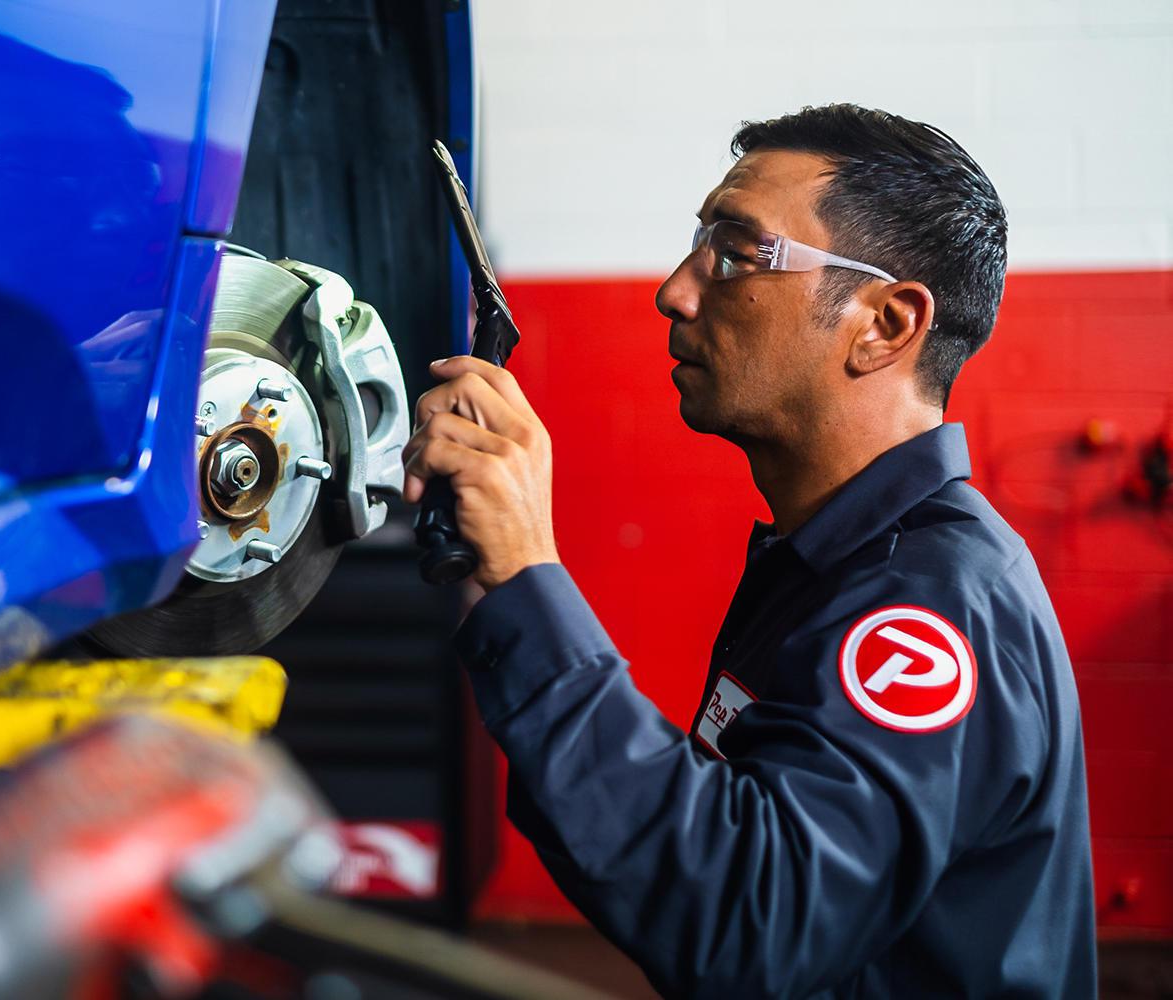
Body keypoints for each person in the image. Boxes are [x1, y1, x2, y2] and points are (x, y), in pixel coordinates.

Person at [402, 104, 1095, 998]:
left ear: (885, 324)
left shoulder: (928, 611)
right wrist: (494, 579)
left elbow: (748, 922)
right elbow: (679, 857)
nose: (676, 291)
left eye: (735, 254)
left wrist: (529, 577)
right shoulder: (830, 560)